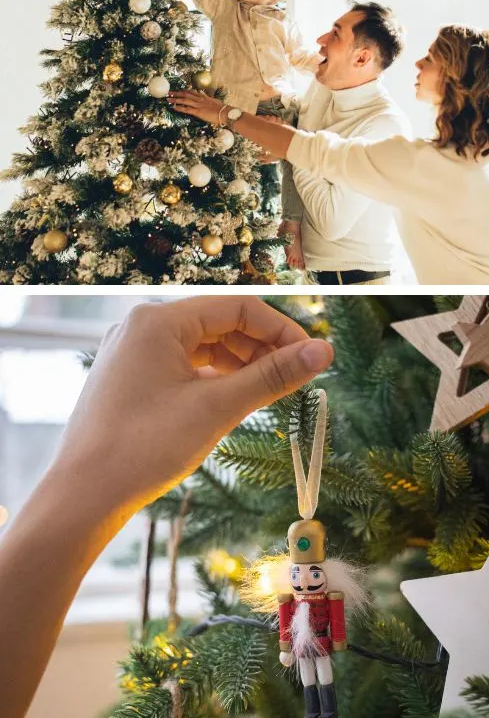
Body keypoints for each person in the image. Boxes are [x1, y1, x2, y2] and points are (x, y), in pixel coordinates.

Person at [0, 297, 332, 718]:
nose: (305, 579)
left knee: (321, 676)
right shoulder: (294, 600)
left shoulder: (326, 598)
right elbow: (288, 625)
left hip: (319, 646)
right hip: (304, 647)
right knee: (311, 679)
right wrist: (287, 648)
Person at [168, 25, 489, 285]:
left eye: (431, 59)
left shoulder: (420, 164)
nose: (419, 64)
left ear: (454, 78)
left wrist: (223, 114)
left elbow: (305, 148)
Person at [127, 0, 322, 263]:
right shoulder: (223, 6)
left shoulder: (281, 22)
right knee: (238, 173)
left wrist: (328, 64)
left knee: (296, 159)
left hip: (277, 106)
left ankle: (291, 223)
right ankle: (235, 235)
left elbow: (302, 56)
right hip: (237, 109)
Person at [282, 3, 412, 285]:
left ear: (362, 59)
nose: (320, 41)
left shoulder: (384, 126)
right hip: (312, 278)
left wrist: (293, 147)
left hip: (362, 284)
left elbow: (331, 222)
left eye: (335, 35)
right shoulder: (323, 88)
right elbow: (296, 142)